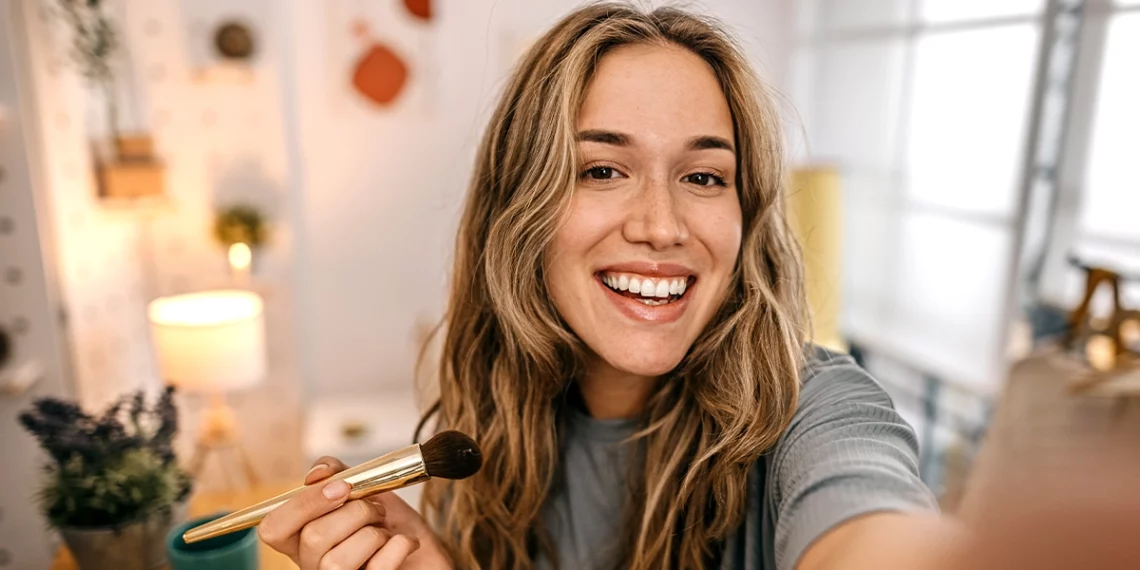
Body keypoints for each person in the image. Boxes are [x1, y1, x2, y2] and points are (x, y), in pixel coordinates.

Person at [258, 3, 961, 569]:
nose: (661, 226)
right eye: (601, 170)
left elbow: (873, 528)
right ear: (519, 207)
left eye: (704, 177)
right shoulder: (495, 426)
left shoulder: (820, 410)